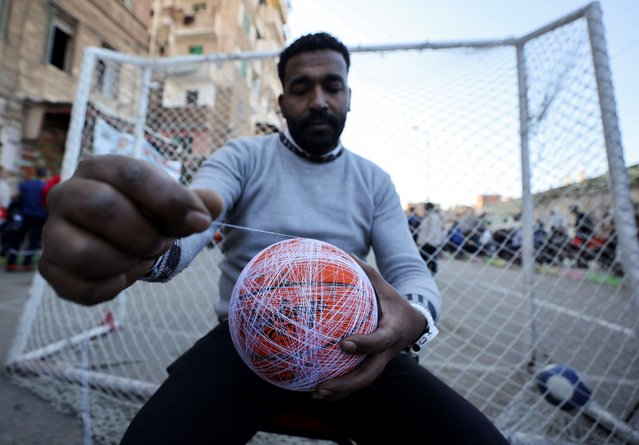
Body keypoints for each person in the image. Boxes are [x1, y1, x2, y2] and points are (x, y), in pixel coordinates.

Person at [39, 33, 509, 444]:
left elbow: (408, 268)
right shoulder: (244, 157)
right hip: (243, 343)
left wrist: (416, 318)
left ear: (349, 96)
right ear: (282, 103)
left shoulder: (374, 180)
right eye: (301, 88)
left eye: (333, 85)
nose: (319, 100)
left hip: (353, 348)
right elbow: (198, 214)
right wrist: (152, 243)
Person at [5, 167, 48, 271]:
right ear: (45, 175)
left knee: (17, 239)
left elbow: (14, 197)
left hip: (23, 216)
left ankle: (11, 263)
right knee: (33, 241)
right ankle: (26, 264)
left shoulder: (25, 184)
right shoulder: (46, 186)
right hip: (39, 217)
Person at [416, 202, 445, 275]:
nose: (424, 209)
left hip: (429, 243)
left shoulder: (433, 217)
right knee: (429, 260)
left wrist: (425, 241)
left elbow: (433, 231)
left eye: (426, 208)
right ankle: (428, 274)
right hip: (428, 242)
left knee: (428, 260)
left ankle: (429, 274)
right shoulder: (430, 216)